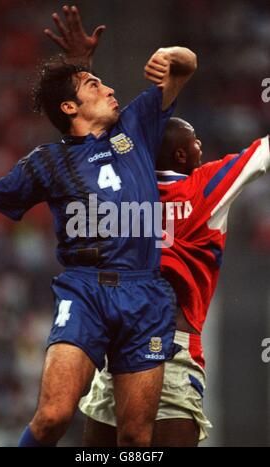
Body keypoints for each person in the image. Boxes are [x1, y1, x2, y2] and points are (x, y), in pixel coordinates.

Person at [0, 5, 197, 447]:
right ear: (71, 107)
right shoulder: (46, 162)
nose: (111, 87)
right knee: (53, 416)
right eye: (95, 84)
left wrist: (170, 53)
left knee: (135, 439)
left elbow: (187, 65)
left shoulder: (137, 124)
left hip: (145, 294)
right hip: (85, 290)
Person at [80, 117, 270, 447]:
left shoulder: (121, 195)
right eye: (194, 140)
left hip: (118, 345)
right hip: (172, 349)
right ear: (180, 156)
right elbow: (262, 153)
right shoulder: (205, 187)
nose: (201, 146)